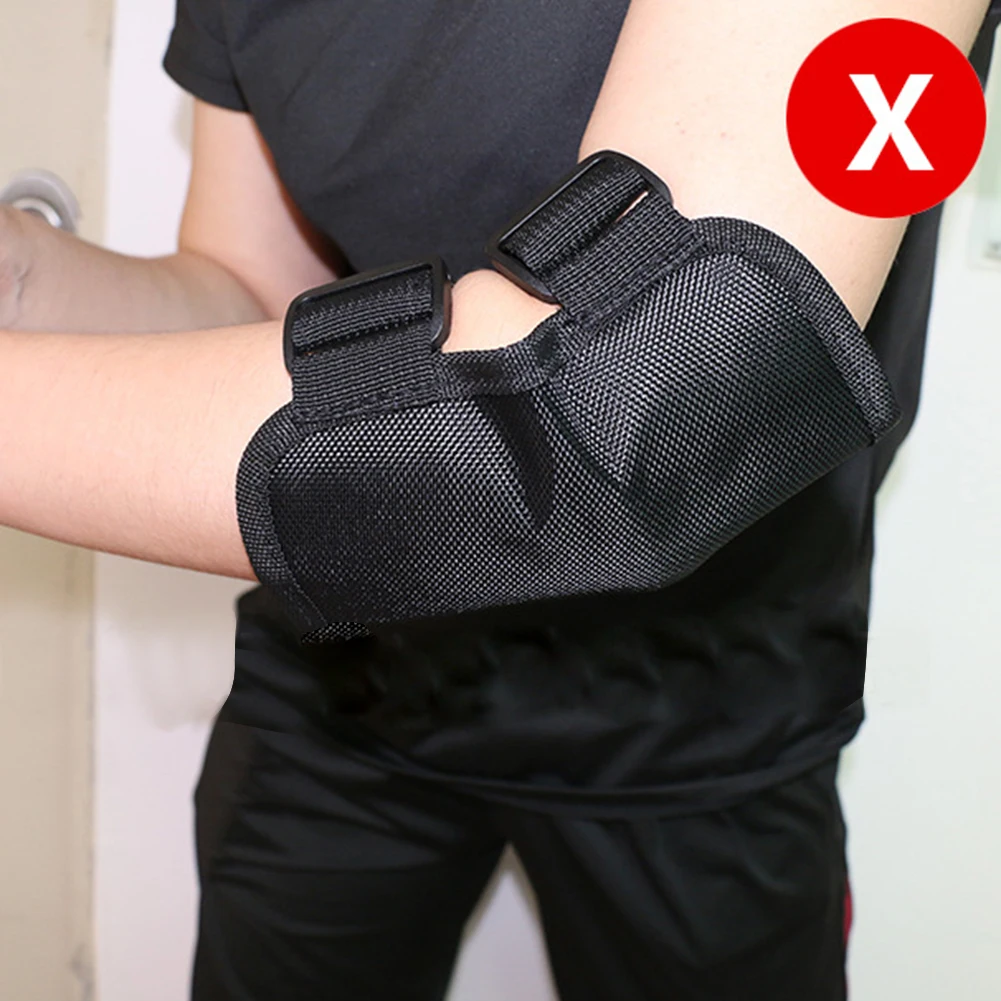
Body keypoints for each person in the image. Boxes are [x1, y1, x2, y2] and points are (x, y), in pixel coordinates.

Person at [0, 1, 997, 997]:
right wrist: (15, 272)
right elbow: (254, 299)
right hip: (352, 673)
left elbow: (616, 402)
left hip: (699, 705)